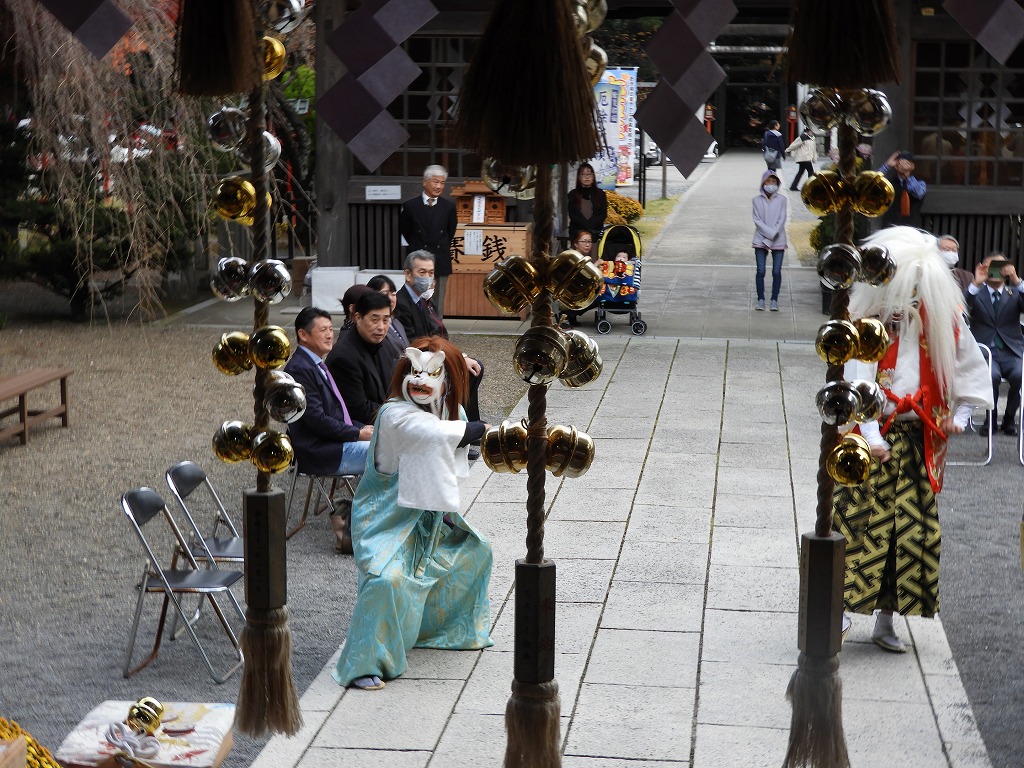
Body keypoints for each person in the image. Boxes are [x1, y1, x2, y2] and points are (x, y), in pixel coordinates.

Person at [834, 227, 991, 652]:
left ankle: (887, 620)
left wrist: (961, 413)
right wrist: (868, 432)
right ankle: (840, 613)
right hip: (874, 439)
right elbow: (857, 378)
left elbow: (969, 366)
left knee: (912, 534)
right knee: (855, 524)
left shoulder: (941, 323)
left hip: (917, 439)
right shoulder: (870, 327)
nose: (908, 305)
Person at [332, 336, 494, 691]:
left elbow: (463, 441)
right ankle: (362, 662)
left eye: (434, 373)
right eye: (415, 371)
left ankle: (434, 630)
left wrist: (472, 388)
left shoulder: (446, 409)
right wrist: (483, 430)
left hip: (428, 517)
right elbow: (438, 433)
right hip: (384, 519)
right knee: (385, 579)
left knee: (475, 552)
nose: (421, 381)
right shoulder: (394, 414)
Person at [284, 307, 374, 553]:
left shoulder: (316, 364)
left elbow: (338, 415)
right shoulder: (299, 369)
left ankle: (374, 520)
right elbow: (316, 420)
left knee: (390, 447)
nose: (329, 334)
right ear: (303, 335)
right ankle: (371, 523)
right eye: (322, 330)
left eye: (330, 329)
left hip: (335, 442)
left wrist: (361, 428)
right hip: (320, 451)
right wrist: (358, 434)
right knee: (389, 456)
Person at [394, 250, 486, 456]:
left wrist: (460, 356)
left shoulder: (424, 300)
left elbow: (439, 333)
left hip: (435, 354)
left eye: (430, 273)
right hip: (420, 362)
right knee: (465, 371)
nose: (426, 278)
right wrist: (457, 359)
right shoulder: (402, 303)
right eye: (421, 272)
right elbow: (416, 342)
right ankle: (463, 432)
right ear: (408, 274)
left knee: (474, 368)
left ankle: (469, 426)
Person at [962, 252, 1024, 436]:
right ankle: (991, 418)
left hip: (1012, 351)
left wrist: (1015, 279)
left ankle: (1009, 419)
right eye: (990, 266)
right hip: (985, 352)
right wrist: (976, 283)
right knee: (992, 377)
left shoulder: (1014, 292)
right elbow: (962, 308)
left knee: (1020, 376)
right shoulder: (976, 292)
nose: (995, 271)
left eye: (999, 266)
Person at [325, 290, 395, 426]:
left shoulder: (385, 344)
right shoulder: (344, 357)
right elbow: (359, 410)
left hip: (389, 418)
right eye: (374, 320)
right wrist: (399, 414)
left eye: (385, 320)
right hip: (361, 429)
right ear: (358, 317)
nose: (381, 327)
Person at [399, 164, 458, 318]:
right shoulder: (410, 206)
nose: (439, 186)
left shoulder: (449, 207)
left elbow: (450, 231)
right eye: (435, 182)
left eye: (442, 183)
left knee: (437, 300)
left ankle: (437, 332)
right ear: (424, 182)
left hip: (440, 257)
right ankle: (415, 327)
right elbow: (406, 231)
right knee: (415, 295)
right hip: (417, 257)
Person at [751, 170, 788, 312]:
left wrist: (772, 235)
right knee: (760, 271)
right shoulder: (756, 200)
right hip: (760, 240)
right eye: (768, 181)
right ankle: (761, 299)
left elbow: (782, 220)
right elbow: (757, 221)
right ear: (763, 183)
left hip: (778, 239)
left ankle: (774, 300)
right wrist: (768, 236)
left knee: (776, 271)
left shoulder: (782, 200)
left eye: (773, 182)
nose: (771, 184)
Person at [366, 273, 410, 374]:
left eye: (393, 294)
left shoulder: (397, 322)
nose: (390, 299)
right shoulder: (373, 327)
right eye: (385, 294)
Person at [560, 229, 602, 328]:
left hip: (572, 291)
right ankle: (567, 315)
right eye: (584, 241)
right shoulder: (572, 256)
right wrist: (595, 266)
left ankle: (571, 317)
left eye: (589, 242)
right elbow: (581, 277)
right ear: (575, 243)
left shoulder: (581, 256)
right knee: (598, 296)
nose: (587, 245)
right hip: (565, 295)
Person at [879, 150, 926, 228]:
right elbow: (873, 182)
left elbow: (919, 193)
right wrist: (887, 165)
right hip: (890, 226)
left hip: (911, 228)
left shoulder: (920, 183)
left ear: (912, 166)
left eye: (907, 163)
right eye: (900, 162)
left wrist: (907, 175)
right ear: (896, 166)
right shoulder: (888, 183)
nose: (903, 165)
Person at [566, 162, 607, 240]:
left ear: (593, 177)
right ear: (579, 177)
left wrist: (590, 228)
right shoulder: (572, 194)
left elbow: (602, 214)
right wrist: (586, 228)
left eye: (589, 174)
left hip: (595, 233)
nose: (586, 177)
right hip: (577, 234)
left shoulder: (601, 194)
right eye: (583, 174)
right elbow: (573, 215)